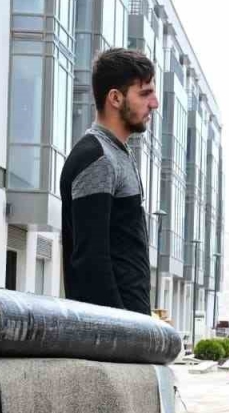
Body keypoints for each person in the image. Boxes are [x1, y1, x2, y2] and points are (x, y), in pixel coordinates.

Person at [60, 47, 159, 314]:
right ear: (115, 98)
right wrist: (123, 329)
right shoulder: (96, 157)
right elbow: (91, 263)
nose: (154, 103)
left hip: (129, 326)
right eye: (145, 94)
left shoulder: (115, 153)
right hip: (115, 331)